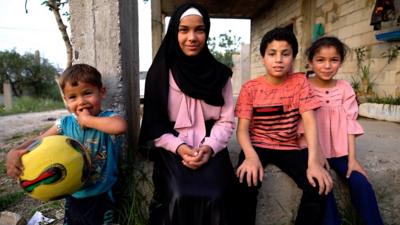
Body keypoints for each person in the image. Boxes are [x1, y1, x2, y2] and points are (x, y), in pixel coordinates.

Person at [138, 3, 237, 225]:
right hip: (171, 143)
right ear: (174, 32)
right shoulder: (160, 73)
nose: (192, 37)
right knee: (178, 194)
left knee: (218, 195)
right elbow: (155, 123)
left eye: (199, 30)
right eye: (184, 30)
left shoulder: (220, 75)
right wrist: (181, 148)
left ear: (207, 32)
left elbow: (226, 120)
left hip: (211, 143)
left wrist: (209, 147)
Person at [234, 27, 333, 225]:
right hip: (257, 145)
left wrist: (314, 160)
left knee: (317, 186)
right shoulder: (250, 88)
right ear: (263, 57)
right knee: (245, 183)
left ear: (293, 57)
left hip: (289, 146)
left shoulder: (299, 83)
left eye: (285, 54)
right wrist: (251, 156)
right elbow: (242, 130)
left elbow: (309, 122)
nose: (278, 59)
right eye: (272, 54)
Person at [6, 63, 127, 225]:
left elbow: (120, 127)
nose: (81, 101)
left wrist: (88, 121)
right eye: (73, 97)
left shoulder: (107, 117)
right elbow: (39, 140)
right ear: (66, 101)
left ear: (102, 92)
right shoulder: (65, 123)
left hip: (101, 195)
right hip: (72, 192)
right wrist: (14, 151)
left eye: (87, 93)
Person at [302, 36, 384, 225]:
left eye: (334, 60)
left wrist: (353, 159)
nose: (327, 66)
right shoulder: (304, 87)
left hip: (340, 152)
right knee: (323, 187)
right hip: (313, 151)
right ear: (310, 62)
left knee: (361, 184)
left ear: (340, 63)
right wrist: (315, 157)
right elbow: (302, 125)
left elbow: (350, 124)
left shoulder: (345, 88)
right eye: (320, 60)